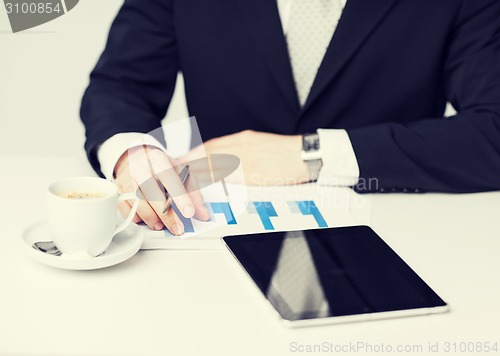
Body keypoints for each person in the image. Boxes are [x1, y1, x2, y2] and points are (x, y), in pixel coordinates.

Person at [81, 0, 500, 235]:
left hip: (396, 236)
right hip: (214, 232)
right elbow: (120, 83)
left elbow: (493, 129)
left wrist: (310, 155)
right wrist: (131, 149)